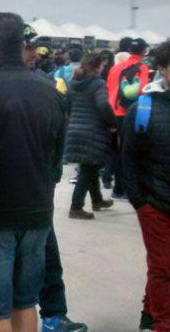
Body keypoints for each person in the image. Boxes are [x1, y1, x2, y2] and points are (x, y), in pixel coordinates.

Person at [0, 13, 66, 332]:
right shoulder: (51, 91)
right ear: (22, 45)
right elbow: (57, 160)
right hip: (37, 214)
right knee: (24, 301)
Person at [123, 37, 170, 332]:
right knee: (162, 268)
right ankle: (164, 324)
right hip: (154, 205)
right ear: (161, 68)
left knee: (169, 267)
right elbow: (128, 161)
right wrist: (141, 202)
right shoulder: (143, 109)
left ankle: (148, 312)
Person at [63, 53, 116, 219]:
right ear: (97, 66)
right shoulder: (98, 83)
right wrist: (112, 123)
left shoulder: (74, 82)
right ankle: (76, 206)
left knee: (91, 167)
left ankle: (97, 200)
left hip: (75, 130)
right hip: (93, 131)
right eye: (102, 65)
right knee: (87, 170)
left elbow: (67, 105)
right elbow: (103, 105)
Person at [107, 37, 150, 199]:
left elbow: (109, 88)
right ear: (144, 51)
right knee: (127, 151)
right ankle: (121, 188)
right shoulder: (142, 67)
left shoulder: (116, 67)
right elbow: (142, 91)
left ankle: (115, 186)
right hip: (128, 113)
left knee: (116, 150)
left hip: (112, 112)